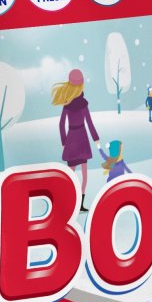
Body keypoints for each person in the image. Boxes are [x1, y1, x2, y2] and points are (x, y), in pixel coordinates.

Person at [52, 68, 99, 211]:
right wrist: (96, 139)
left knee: (70, 174)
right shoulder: (83, 103)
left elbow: (61, 124)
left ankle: (70, 203)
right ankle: (78, 204)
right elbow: (89, 123)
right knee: (83, 174)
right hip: (82, 138)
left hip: (72, 139)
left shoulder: (67, 104)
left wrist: (64, 142)